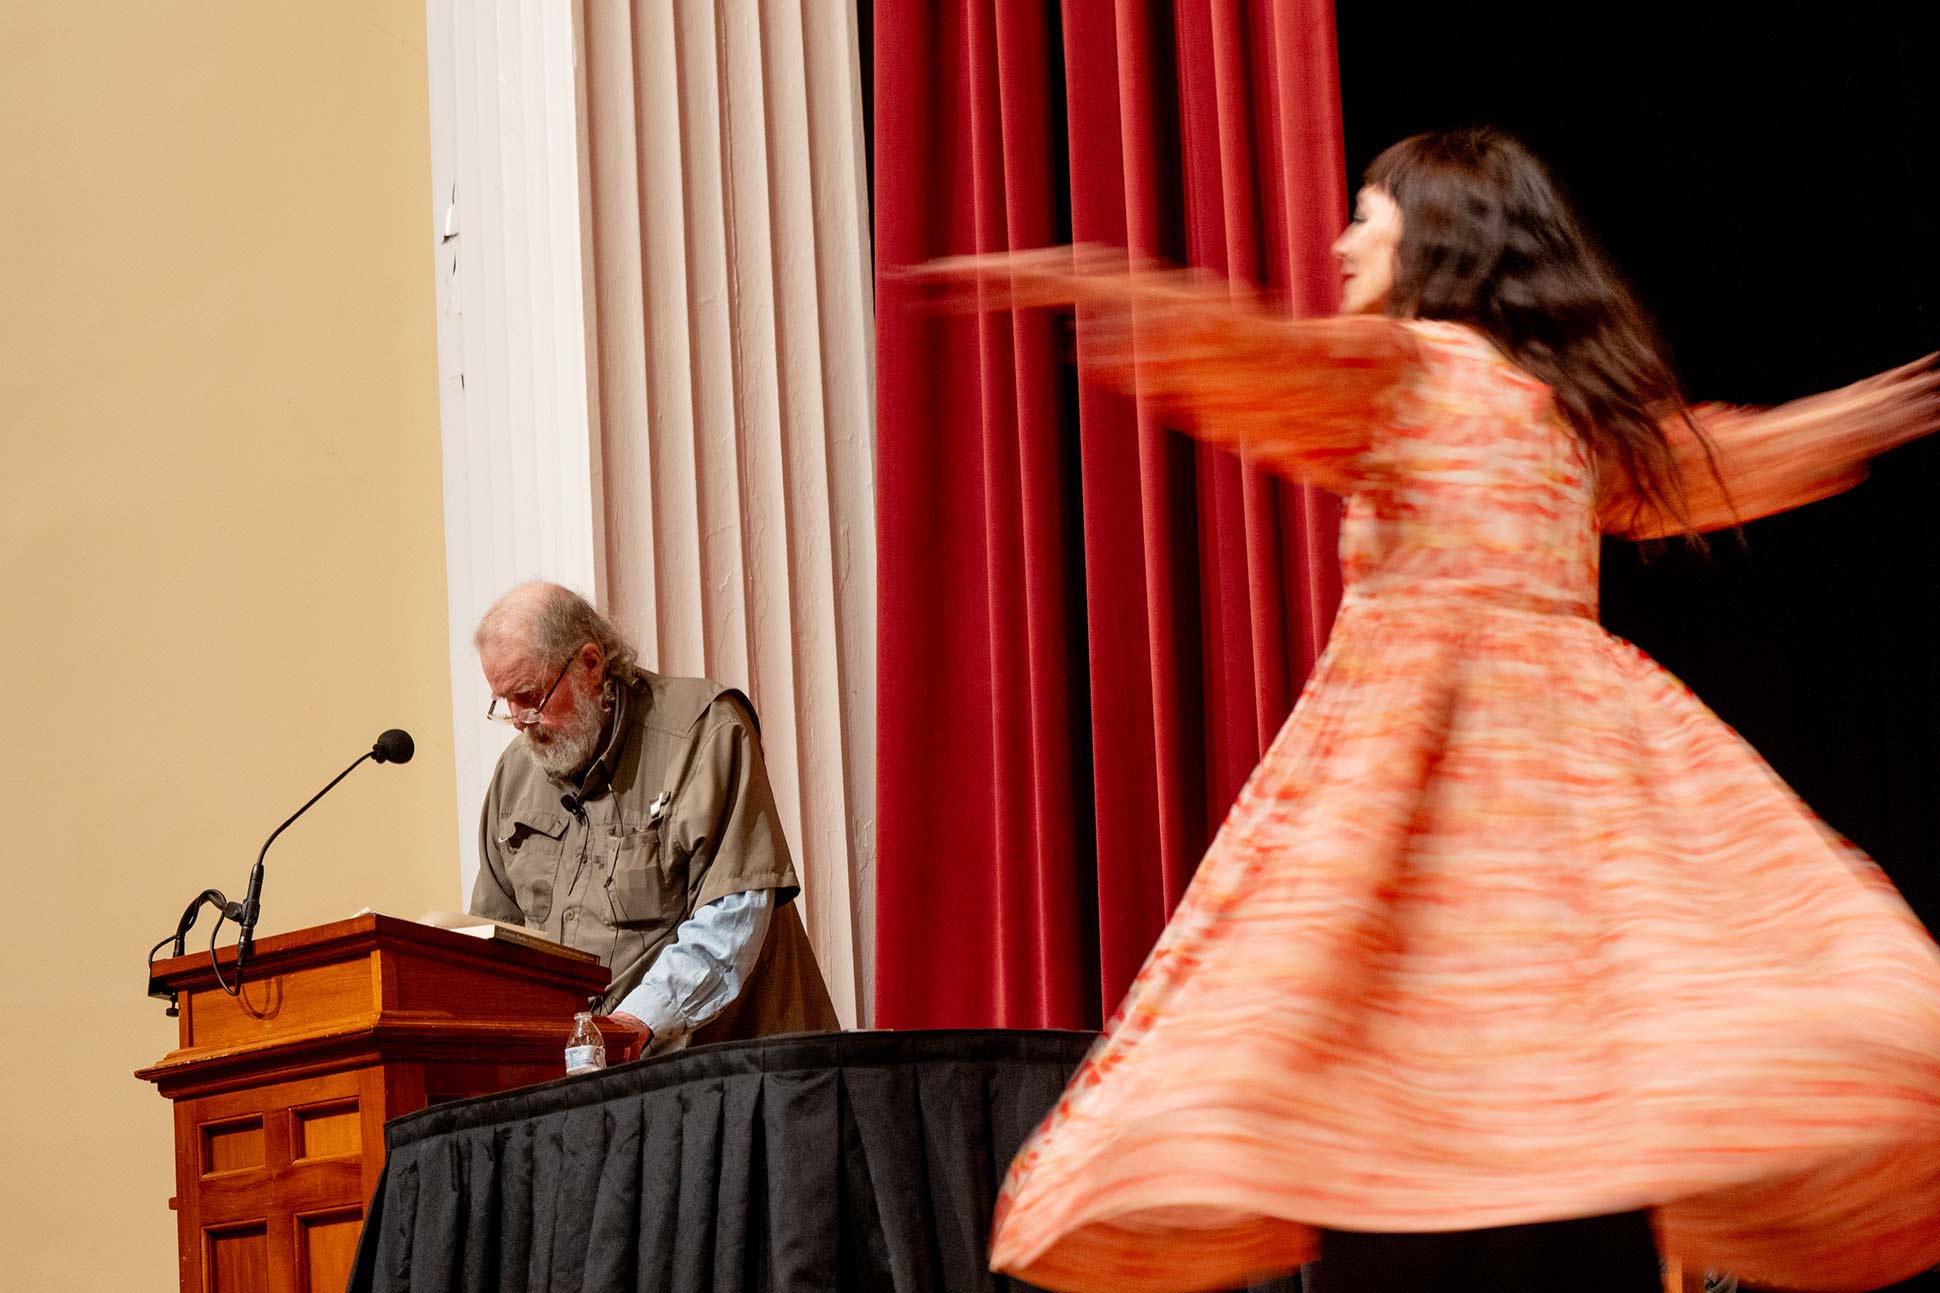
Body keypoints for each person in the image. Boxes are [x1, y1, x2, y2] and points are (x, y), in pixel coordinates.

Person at [925, 127, 1940, 1293]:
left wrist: (1115, 291)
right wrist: (1850, 421)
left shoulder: (1412, 367)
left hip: (1437, 757)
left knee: (1417, 1025)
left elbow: (1268, 361)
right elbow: (1716, 462)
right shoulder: (1562, 406)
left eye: (1367, 210)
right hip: (1576, 770)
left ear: (1441, 227)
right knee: (1572, 1030)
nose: (1340, 236)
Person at [471, 580, 839, 1057]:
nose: (520, 721)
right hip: (589, 1084)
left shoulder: (703, 731)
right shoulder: (515, 776)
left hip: (727, 1077)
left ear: (590, 663)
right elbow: (495, 946)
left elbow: (732, 918)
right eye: (505, 704)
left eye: (530, 696)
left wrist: (627, 1026)